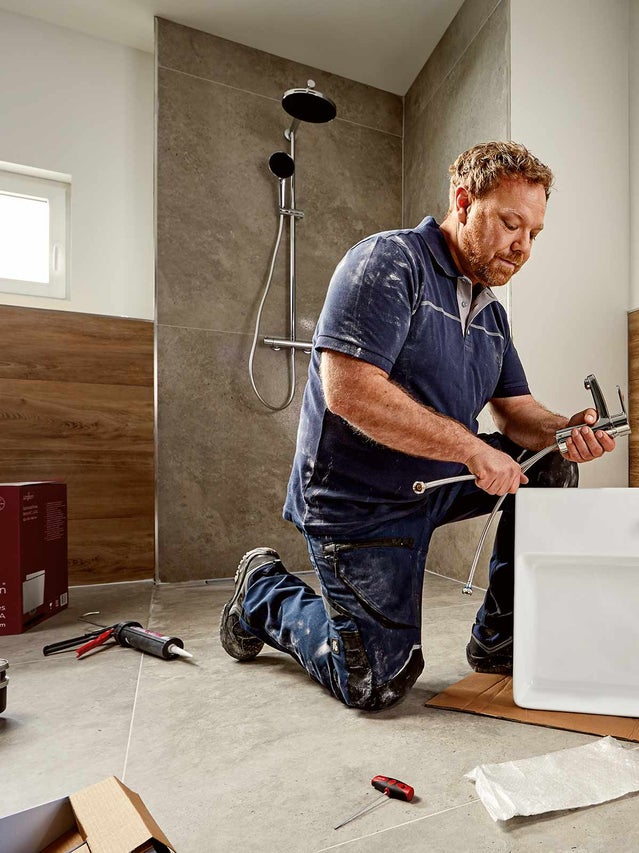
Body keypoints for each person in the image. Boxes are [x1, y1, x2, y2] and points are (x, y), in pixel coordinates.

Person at [219, 141, 616, 710]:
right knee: (377, 682)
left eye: (534, 233)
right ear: (463, 201)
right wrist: (470, 449)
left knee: (551, 462)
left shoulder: (491, 313)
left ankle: (500, 637)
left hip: (434, 485)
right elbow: (350, 391)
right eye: (510, 224)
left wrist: (564, 429)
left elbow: (516, 410)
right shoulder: (388, 262)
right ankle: (262, 591)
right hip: (358, 501)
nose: (523, 246)